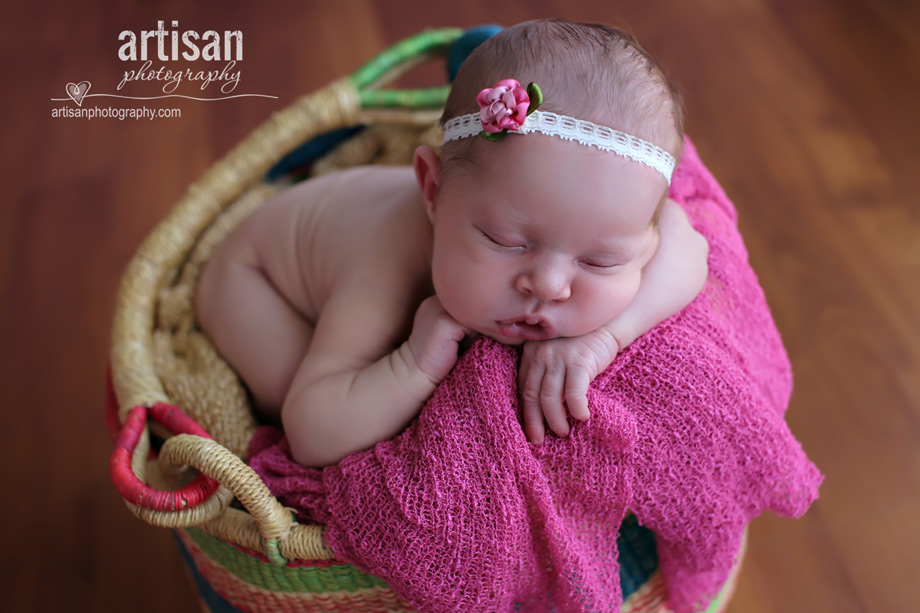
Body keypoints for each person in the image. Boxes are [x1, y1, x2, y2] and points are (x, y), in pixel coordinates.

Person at [195, 19, 709, 468]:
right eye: (504, 241)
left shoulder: (622, 217)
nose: (549, 285)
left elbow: (690, 250)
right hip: (255, 277)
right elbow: (311, 430)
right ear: (434, 192)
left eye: (600, 260)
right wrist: (412, 363)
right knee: (317, 408)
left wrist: (605, 338)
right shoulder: (383, 270)